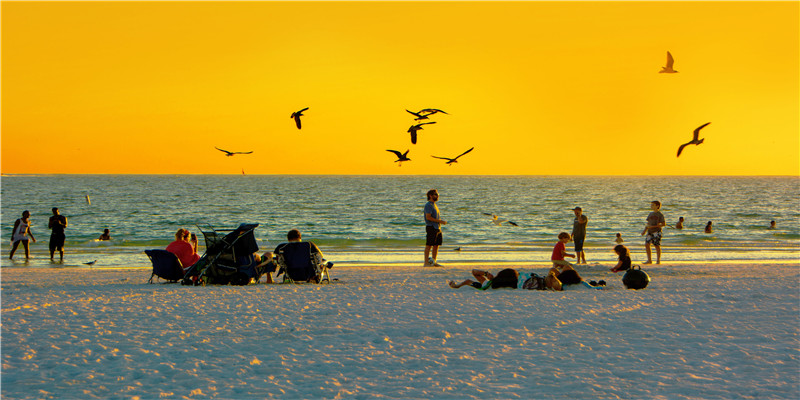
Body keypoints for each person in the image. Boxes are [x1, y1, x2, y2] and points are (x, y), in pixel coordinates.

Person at [423, 189, 447, 267]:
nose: (437, 196)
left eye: (437, 194)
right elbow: (428, 217)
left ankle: (434, 262)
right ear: (430, 195)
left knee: (436, 245)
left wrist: (439, 223)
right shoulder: (428, 205)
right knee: (429, 245)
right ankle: (426, 263)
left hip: (437, 227)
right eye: (436, 194)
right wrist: (440, 221)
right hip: (431, 227)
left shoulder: (434, 205)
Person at [448, 268, 519, 289]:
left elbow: (474, 271)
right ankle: (456, 286)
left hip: (486, 286)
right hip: (490, 285)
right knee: (468, 281)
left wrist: (486, 274)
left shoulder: (490, 284)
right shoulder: (514, 283)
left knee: (468, 281)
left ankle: (456, 286)